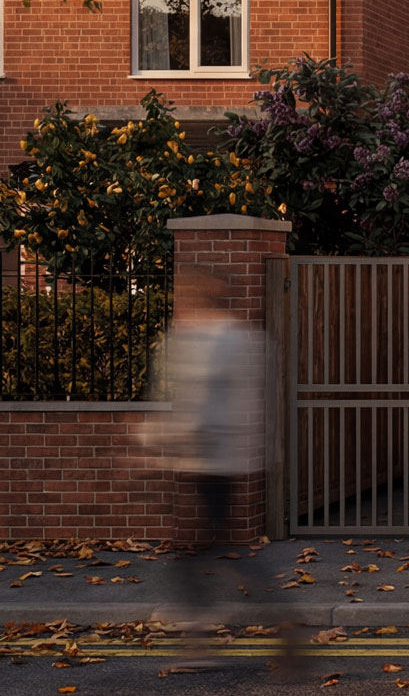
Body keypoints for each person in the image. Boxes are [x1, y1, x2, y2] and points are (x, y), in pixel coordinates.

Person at [143, 265, 268, 656]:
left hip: (208, 459)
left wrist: (153, 440)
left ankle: (201, 639)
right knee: (210, 551)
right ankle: (273, 628)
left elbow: (200, 408)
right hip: (221, 459)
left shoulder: (210, 340)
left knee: (195, 553)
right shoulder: (243, 338)